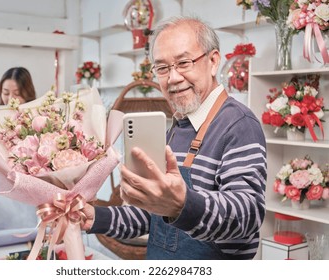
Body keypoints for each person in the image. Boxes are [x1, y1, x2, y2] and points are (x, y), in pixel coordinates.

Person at [81, 15, 267, 260]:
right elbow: (152, 217)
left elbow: (247, 215)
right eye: (162, 68)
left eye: (183, 63)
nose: (173, 78)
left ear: (213, 62)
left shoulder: (238, 124)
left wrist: (182, 205)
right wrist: (93, 216)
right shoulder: (179, 127)